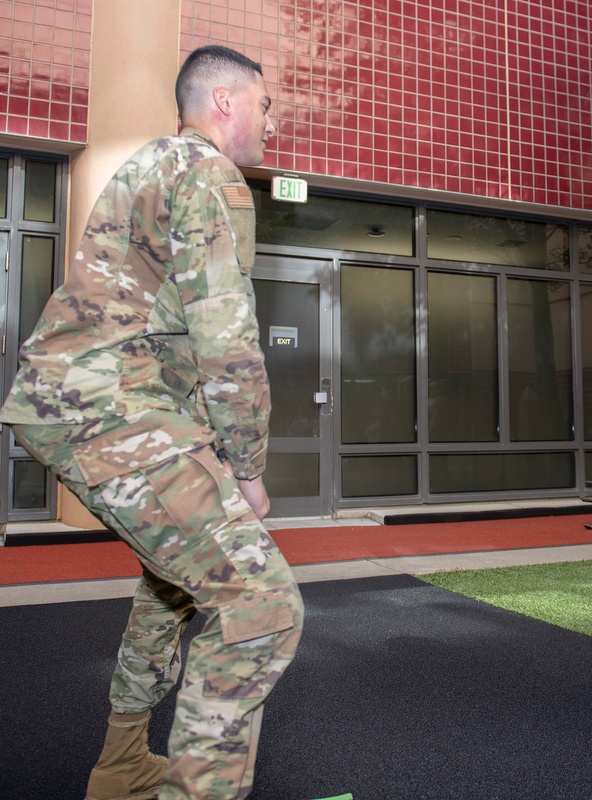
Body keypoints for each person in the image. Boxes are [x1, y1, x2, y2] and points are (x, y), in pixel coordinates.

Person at [0, 46, 303, 800]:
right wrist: (247, 468)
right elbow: (225, 334)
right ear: (226, 102)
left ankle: (125, 763)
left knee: (169, 591)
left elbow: (159, 326)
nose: (275, 119)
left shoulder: (151, 163)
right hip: (111, 409)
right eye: (266, 105)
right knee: (260, 607)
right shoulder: (208, 173)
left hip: (93, 404)